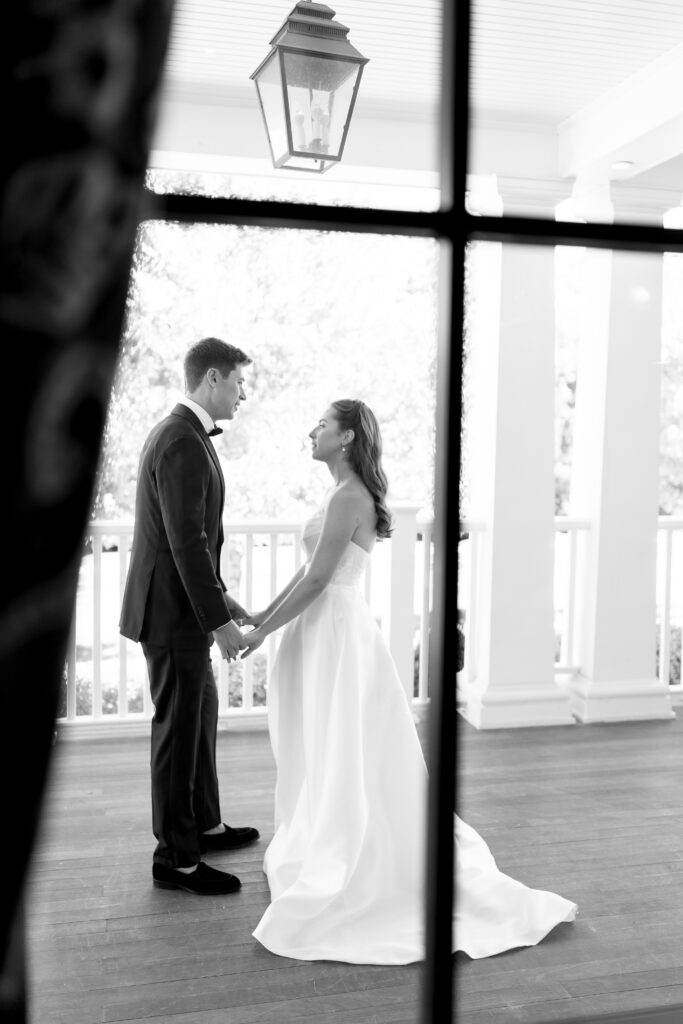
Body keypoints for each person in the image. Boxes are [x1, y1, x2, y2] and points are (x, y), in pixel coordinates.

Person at [240, 398, 577, 963]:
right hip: (324, 628)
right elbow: (308, 571)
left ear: (348, 437)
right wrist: (261, 616)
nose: (312, 431)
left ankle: (353, 847)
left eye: (323, 424)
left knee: (345, 743)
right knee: (327, 741)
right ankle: (327, 827)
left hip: (336, 631)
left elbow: (320, 580)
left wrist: (259, 634)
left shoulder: (349, 497)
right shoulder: (340, 494)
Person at [120, 337, 260, 895]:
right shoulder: (180, 439)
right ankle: (176, 860)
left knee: (200, 717)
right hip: (170, 615)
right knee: (178, 733)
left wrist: (222, 602)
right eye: (239, 382)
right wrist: (217, 621)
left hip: (183, 610)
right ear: (212, 379)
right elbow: (185, 542)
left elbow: (192, 538)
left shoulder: (186, 434)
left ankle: (204, 825)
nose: (243, 394)